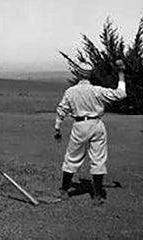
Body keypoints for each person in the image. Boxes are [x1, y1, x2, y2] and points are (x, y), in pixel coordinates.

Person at [54, 60, 127, 206]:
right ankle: (98, 195)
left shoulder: (71, 92)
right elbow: (121, 94)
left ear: (78, 74)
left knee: (72, 157)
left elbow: (62, 110)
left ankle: (64, 190)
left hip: (80, 125)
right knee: (98, 159)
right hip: (96, 124)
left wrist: (57, 127)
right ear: (89, 75)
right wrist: (121, 74)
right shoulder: (97, 90)